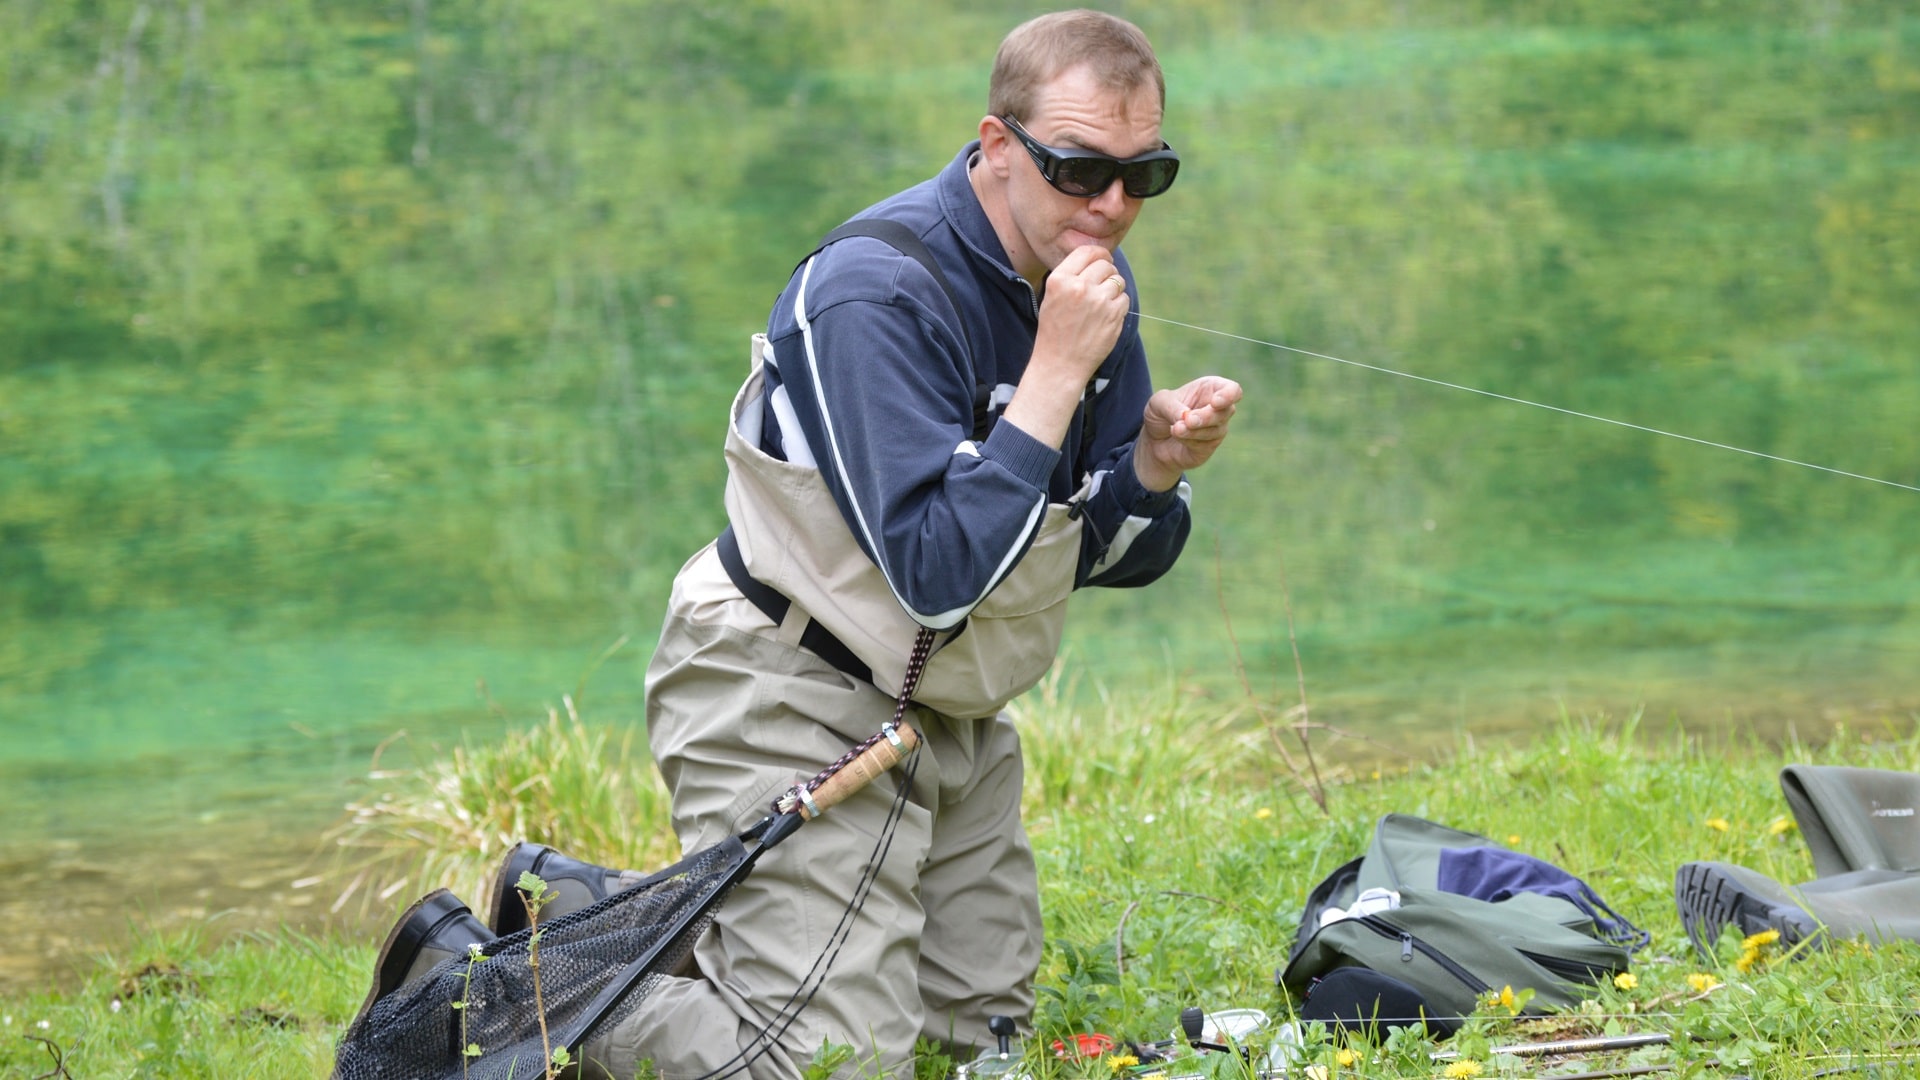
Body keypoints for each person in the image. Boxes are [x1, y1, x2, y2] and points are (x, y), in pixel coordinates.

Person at [350, 10, 1242, 1079]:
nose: (1112, 206)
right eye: (1079, 169)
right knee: (816, 1063)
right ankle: (477, 992)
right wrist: (1053, 377)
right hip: (787, 686)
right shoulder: (875, 293)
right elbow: (937, 572)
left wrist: (1151, 468)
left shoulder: (1083, 278)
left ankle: (591, 915)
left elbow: (1108, 553)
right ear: (998, 146)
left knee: (975, 1050)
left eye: (1147, 174)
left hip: (941, 716)